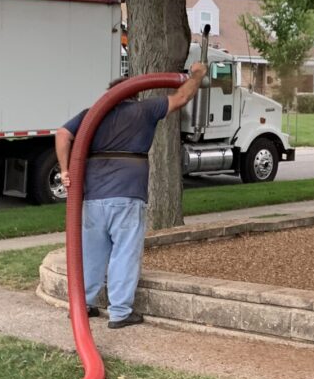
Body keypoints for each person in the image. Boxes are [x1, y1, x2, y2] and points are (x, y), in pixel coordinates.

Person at [55, 63, 207, 328]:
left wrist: (66, 169)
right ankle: (120, 312)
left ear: (109, 95)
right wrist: (197, 75)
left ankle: (83, 305)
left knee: (91, 253)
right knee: (124, 251)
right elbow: (182, 97)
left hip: (92, 196)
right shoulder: (143, 110)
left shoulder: (92, 115)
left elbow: (62, 133)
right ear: (133, 94)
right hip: (127, 193)